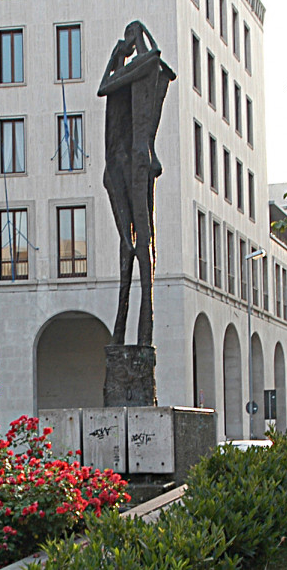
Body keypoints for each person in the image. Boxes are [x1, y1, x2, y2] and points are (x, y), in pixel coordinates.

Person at [98, 21, 176, 347]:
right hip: (117, 166)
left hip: (138, 162)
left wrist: (134, 42)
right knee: (128, 246)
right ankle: (122, 334)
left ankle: (144, 334)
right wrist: (117, 56)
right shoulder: (131, 69)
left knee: (143, 244)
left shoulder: (148, 65)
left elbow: (108, 84)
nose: (127, 43)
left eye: (130, 37)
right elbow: (104, 87)